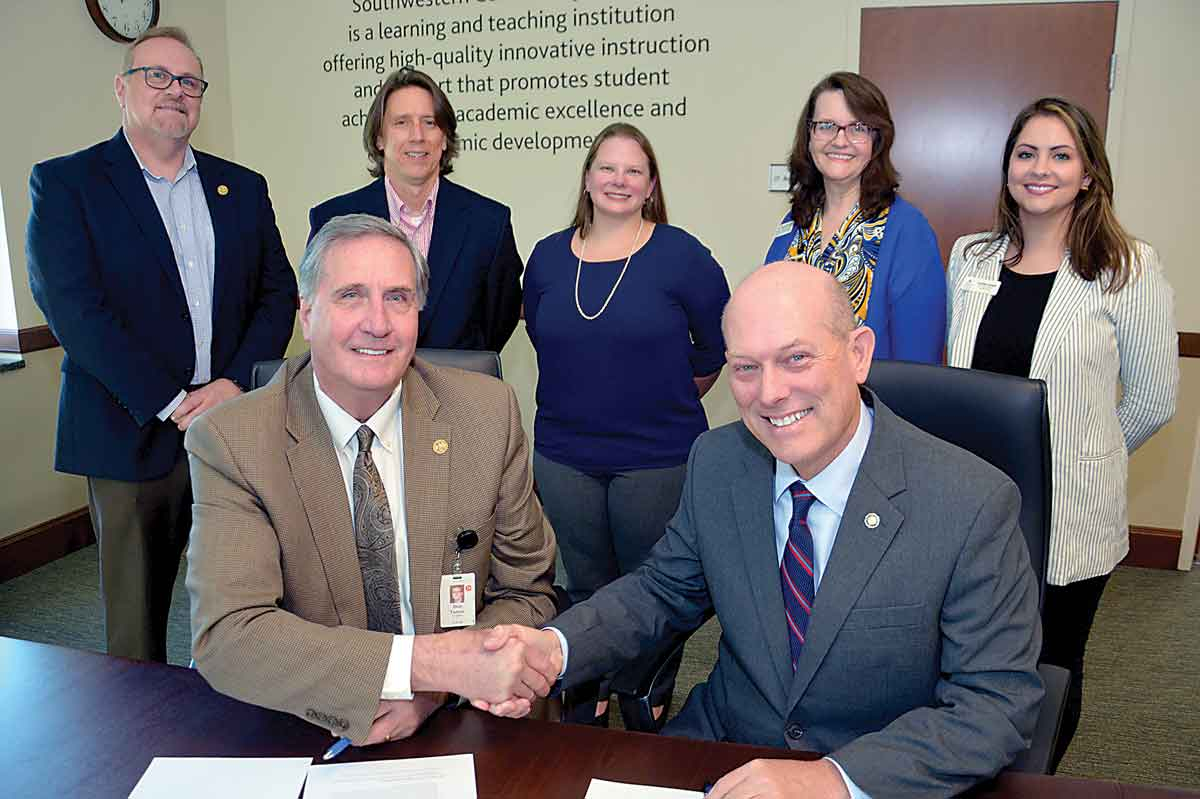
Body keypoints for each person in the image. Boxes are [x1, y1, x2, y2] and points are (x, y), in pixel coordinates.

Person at [482, 264, 1044, 799]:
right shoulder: (720, 461)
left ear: (858, 354)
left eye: (796, 358)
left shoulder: (970, 502)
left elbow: (993, 705)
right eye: (746, 367)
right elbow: (662, 590)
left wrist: (833, 779)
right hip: (723, 751)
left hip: (875, 773)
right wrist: (554, 649)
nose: (769, 392)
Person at [185, 214, 558, 745]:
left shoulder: (485, 414)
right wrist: (425, 664)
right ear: (307, 313)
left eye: (398, 298)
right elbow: (229, 637)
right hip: (307, 721)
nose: (377, 323)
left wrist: (433, 689)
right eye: (351, 296)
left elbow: (528, 589)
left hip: (460, 715)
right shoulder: (233, 440)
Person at [25, 27, 297, 663]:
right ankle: (137, 743)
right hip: (130, 430)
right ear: (121, 89)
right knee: (136, 621)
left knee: (248, 595)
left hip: (233, 424)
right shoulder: (69, 184)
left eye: (190, 82)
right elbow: (74, 310)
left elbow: (277, 293)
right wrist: (172, 399)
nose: (176, 91)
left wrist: (231, 384)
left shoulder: (242, 187)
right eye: (159, 77)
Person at [946, 97, 1177, 771]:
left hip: (1071, 511)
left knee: (1050, 665)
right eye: (1026, 153)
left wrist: (1083, 457)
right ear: (1007, 170)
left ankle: (1034, 779)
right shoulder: (971, 257)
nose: (1039, 169)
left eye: (1060, 154)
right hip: (974, 504)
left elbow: (1155, 397)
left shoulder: (1127, 267)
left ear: (1088, 174)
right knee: (970, 654)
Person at [522, 122, 730, 726]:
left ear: (650, 185)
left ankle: (643, 696)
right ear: (587, 179)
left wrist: (659, 392)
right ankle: (587, 694)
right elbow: (541, 333)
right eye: (607, 168)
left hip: (655, 457)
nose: (618, 180)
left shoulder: (681, 255)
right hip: (565, 457)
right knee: (582, 586)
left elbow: (714, 347)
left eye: (633, 170)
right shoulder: (546, 257)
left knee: (651, 589)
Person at [308, 68, 522, 352]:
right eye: (401, 122)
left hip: (457, 390)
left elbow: (498, 321)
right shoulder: (332, 220)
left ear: (445, 139)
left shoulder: (490, 224)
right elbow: (322, 316)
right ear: (379, 138)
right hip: (362, 390)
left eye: (430, 122)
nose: (417, 136)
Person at [764, 72, 944, 363]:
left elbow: (917, 365)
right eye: (826, 126)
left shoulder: (907, 231)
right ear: (809, 136)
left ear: (877, 139)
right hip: (788, 402)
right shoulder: (795, 222)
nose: (840, 140)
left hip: (866, 406)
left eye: (857, 127)